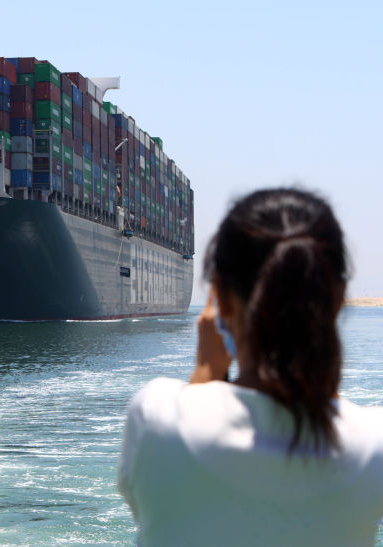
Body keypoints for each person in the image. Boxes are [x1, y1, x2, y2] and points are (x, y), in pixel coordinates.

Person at [118, 188, 383, 546]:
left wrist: (206, 370)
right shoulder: (374, 444)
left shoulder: (155, 417)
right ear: (338, 299)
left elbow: (166, 503)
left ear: (221, 299)